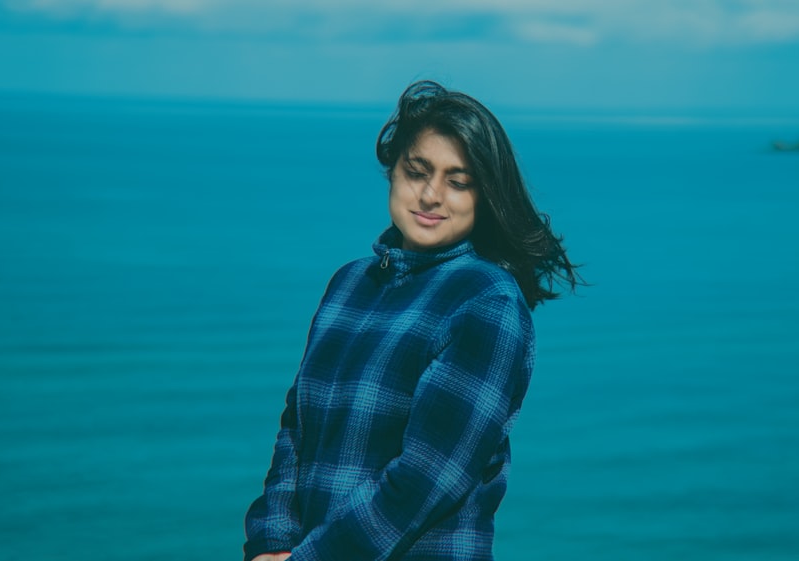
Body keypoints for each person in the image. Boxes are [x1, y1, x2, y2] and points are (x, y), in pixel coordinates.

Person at [243, 80, 581, 561]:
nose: (431, 195)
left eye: (458, 181)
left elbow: (429, 477)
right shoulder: (348, 284)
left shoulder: (486, 302)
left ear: (485, 196)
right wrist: (271, 543)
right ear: (392, 172)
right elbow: (295, 430)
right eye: (417, 171)